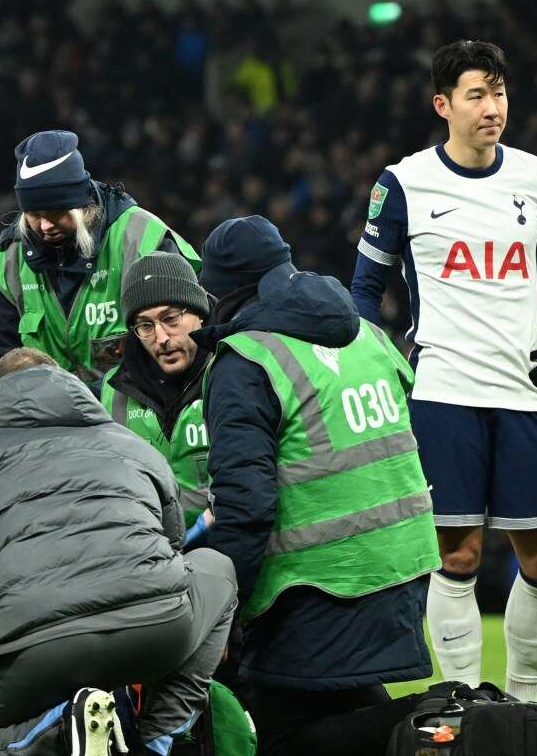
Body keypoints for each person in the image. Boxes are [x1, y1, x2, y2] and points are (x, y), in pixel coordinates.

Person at [350, 39, 537, 700]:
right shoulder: (403, 183)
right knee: (454, 556)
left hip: (522, 392)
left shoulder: (536, 177)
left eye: (500, 92)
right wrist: (386, 370)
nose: (493, 108)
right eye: (477, 95)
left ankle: (519, 701)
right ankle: (462, 706)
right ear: (443, 104)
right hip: (442, 393)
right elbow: (363, 293)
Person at [0, 348, 237, 756]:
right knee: (217, 569)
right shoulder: (128, 441)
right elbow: (171, 546)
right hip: (153, 631)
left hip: (37, 648)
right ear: (66, 385)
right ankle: (157, 734)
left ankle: (65, 725)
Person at [201, 216, 441, 756]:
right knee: (346, 710)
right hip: (402, 569)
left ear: (222, 289)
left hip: (317, 586)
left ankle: (444, 731)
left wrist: (218, 612)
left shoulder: (247, 361)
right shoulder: (369, 334)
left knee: (278, 734)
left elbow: (247, 507)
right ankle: (441, 728)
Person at [0, 130, 199, 393]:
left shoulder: (140, 240)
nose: (45, 225)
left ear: (82, 204)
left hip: (139, 416)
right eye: (34, 214)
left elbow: (182, 346)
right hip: (49, 423)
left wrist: (78, 402)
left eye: (57, 212)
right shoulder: (7, 261)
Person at [101, 252, 216, 529]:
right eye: (145, 325)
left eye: (171, 318)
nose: (162, 338)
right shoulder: (112, 391)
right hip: (148, 554)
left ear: (198, 313)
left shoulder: (232, 371)